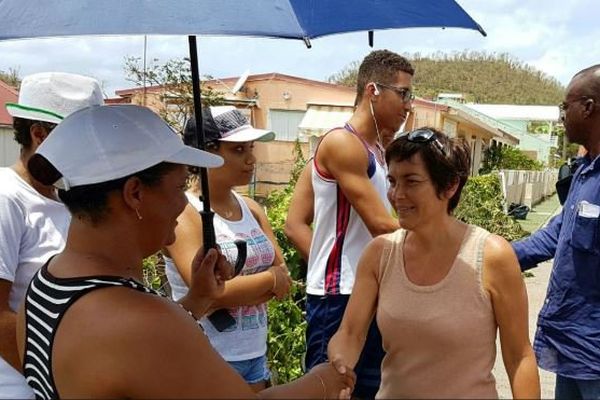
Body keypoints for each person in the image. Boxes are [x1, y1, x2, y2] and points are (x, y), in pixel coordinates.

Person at [15, 104, 354, 399]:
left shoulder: (45, 284)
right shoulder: (140, 322)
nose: (183, 205)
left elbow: (122, 368)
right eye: (179, 187)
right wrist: (323, 381)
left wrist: (198, 300)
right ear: (135, 193)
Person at [328, 128, 540, 399]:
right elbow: (350, 333)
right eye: (392, 181)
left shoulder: (491, 256)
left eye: (411, 181)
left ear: (450, 185)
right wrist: (340, 368)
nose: (397, 195)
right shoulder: (379, 254)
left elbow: (519, 356)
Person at [302, 49, 413, 398]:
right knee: (330, 389)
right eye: (403, 93)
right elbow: (381, 224)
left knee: (367, 390)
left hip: (368, 289)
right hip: (339, 295)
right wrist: (445, 239)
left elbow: (295, 222)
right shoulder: (341, 143)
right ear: (373, 91)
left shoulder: (378, 151)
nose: (408, 105)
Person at [164, 106, 292, 391]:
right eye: (237, 150)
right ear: (207, 153)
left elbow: (285, 277)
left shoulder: (252, 208)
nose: (251, 159)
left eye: (251, 148)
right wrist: (269, 280)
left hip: (254, 353)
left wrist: (266, 282)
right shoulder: (186, 213)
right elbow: (209, 294)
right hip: (208, 353)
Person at [0, 72, 103, 399]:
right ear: (39, 135)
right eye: (82, 141)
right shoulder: (7, 198)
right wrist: (55, 384)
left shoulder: (64, 199)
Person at [512, 64, 600, 399]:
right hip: (571, 347)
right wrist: (496, 253)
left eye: (566, 106)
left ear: (588, 108)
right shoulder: (585, 172)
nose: (562, 115)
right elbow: (556, 234)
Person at [285, 118, 402, 262]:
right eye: (402, 95)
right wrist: (326, 267)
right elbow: (294, 225)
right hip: (342, 281)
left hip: (369, 278)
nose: (406, 107)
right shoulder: (339, 148)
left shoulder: (381, 161)